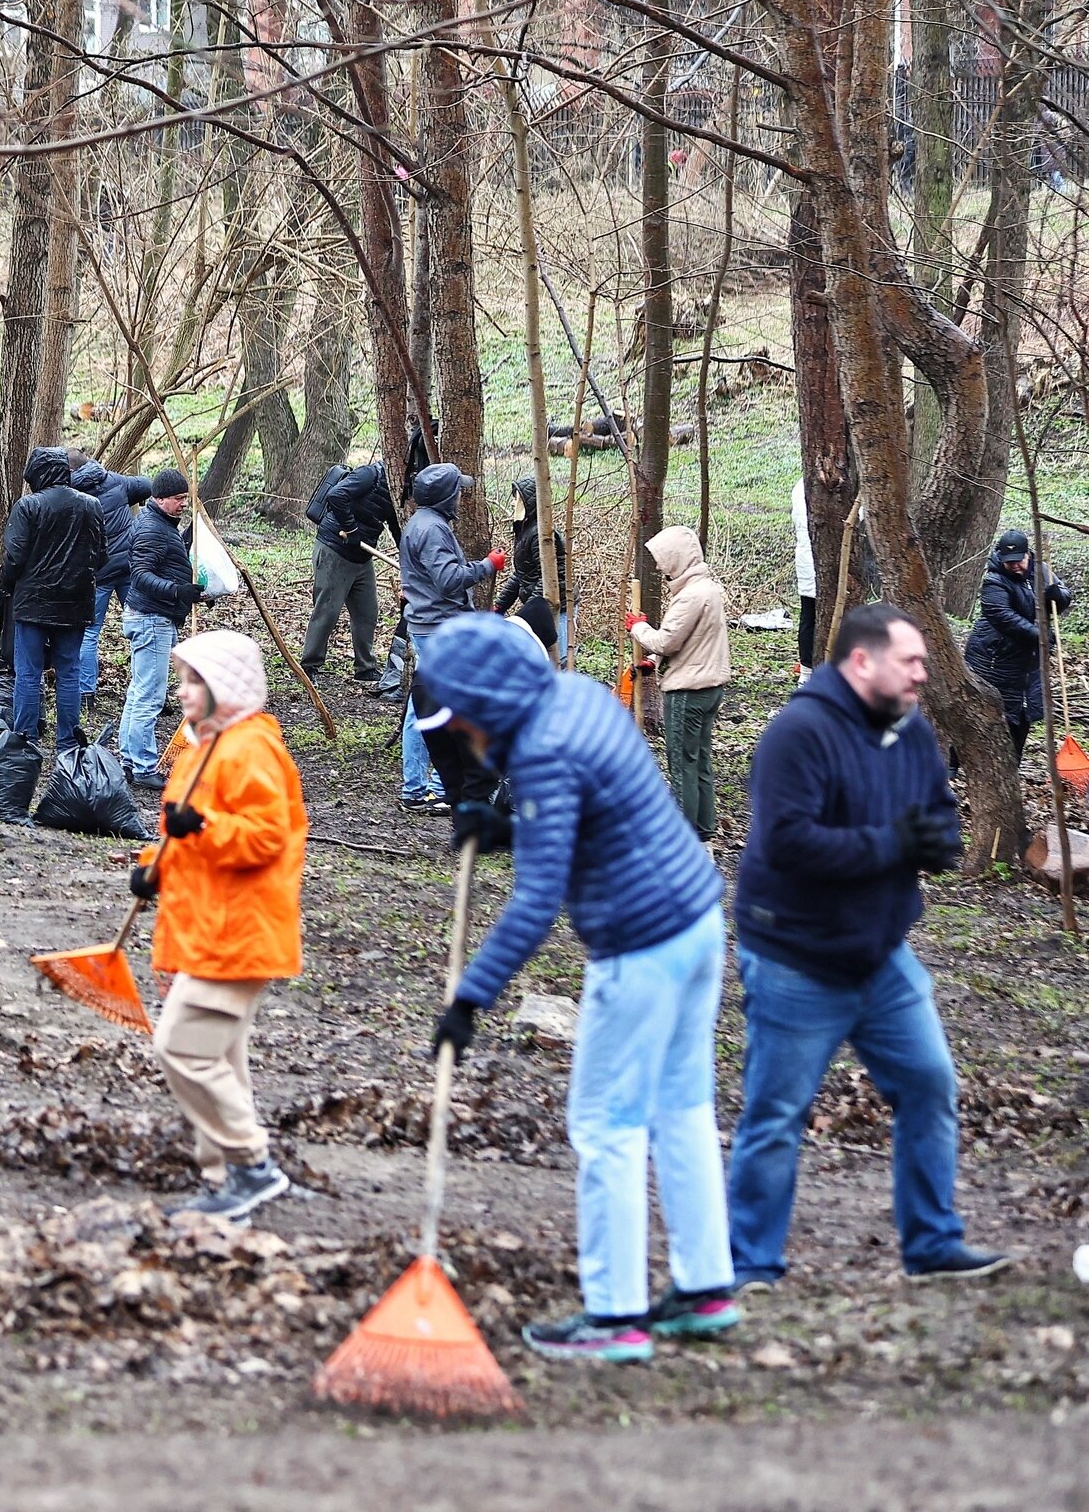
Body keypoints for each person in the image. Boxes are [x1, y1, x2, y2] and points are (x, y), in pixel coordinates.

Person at [416, 613, 737, 1362]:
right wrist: (507, 827)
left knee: (605, 1122)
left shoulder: (540, 750)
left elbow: (536, 902)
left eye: (461, 715)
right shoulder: (578, 697)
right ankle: (705, 1285)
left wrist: (469, 999)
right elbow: (595, 813)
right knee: (681, 1105)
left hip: (643, 944)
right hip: (695, 920)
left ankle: (615, 1313)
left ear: (485, 699)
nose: (460, 731)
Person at [727, 604, 1010, 1289]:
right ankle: (748, 1263)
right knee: (776, 1115)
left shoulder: (909, 728)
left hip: (882, 957)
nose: (923, 673)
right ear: (862, 662)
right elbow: (788, 843)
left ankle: (933, 1243)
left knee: (929, 1083)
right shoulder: (798, 733)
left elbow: (934, 809)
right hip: (797, 956)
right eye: (909, 661)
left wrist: (938, 840)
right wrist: (892, 844)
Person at [128, 629, 306, 1221]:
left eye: (192, 682)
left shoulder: (251, 749)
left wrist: (199, 828)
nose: (181, 692)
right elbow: (183, 831)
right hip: (205, 926)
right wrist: (153, 867)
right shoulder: (203, 747)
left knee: (181, 1046)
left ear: (223, 688)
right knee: (222, 1057)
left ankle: (252, 1166)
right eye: (181, 680)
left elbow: (266, 838)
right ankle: (224, 1179)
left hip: (241, 931)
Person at [398, 462, 503, 812]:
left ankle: (417, 788)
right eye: (457, 490)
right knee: (445, 709)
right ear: (446, 496)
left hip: (429, 625)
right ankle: (438, 789)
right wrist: (487, 565)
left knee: (422, 706)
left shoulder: (421, 524)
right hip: (440, 629)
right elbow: (447, 580)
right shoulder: (432, 530)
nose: (460, 496)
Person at [0, 447, 105, 751]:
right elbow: (101, 555)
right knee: (69, 672)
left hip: (33, 604)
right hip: (76, 604)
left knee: (28, 673)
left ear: (37, 476)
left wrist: (6, 584)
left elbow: (15, 556)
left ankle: (26, 739)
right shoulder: (91, 505)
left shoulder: (28, 506)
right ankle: (68, 742)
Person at [629, 525, 732, 839]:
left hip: (688, 691)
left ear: (676, 558)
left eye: (662, 559)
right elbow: (693, 640)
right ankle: (704, 827)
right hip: (710, 687)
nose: (659, 566)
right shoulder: (708, 589)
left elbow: (666, 640)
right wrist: (652, 663)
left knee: (681, 763)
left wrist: (638, 628)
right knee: (699, 759)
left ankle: (684, 835)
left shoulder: (690, 597)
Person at [117, 470, 198, 788]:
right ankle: (143, 765)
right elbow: (139, 576)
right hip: (152, 619)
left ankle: (129, 759)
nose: (182, 504)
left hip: (153, 616)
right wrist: (177, 592)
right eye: (178, 499)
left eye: (184, 499)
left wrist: (191, 592)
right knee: (149, 696)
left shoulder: (162, 526)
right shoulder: (152, 529)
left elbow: (164, 566)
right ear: (160, 498)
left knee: (139, 692)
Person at [964, 530, 1071, 764]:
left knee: (1023, 714)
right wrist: (1040, 635)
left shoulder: (1040, 570)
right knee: (985, 711)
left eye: (1018, 561)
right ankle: (956, 764)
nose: (1014, 566)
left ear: (1028, 555)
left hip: (1027, 659)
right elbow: (1001, 616)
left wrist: (1058, 596)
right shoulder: (994, 580)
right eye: (1008, 562)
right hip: (993, 656)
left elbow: (1063, 595)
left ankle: (1012, 765)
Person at [302, 455, 398, 691]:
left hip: (361, 556)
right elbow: (337, 495)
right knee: (328, 610)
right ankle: (309, 666)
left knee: (367, 612)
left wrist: (409, 557)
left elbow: (396, 524)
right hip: (335, 548)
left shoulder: (397, 487)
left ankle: (365, 668)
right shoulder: (370, 475)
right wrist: (352, 529)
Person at [69, 454, 153, 702]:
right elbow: (148, 486)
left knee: (89, 632)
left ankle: (86, 692)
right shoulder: (114, 481)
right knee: (142, 627)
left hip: (99, 572)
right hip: (129, 564)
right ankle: (147, 689)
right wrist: (128, 497)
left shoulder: (70, 495)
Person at [492, 474, 568, 651]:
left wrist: (528, 614)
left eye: (516, 499)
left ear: (527, 503)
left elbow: (548, 578)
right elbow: (521, 574)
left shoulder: (541, 535)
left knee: (559, 657)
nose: (512, 504)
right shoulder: (525, 530)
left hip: (558, 606)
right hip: (538, 605)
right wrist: (500, 605)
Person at [791, 479, 819, 678]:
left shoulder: (800, 485)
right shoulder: (815, 485)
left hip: (805, 560)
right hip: (816, 560)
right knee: (812, 616)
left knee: (808, 617)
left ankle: (807, 670)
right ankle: (809, 670)